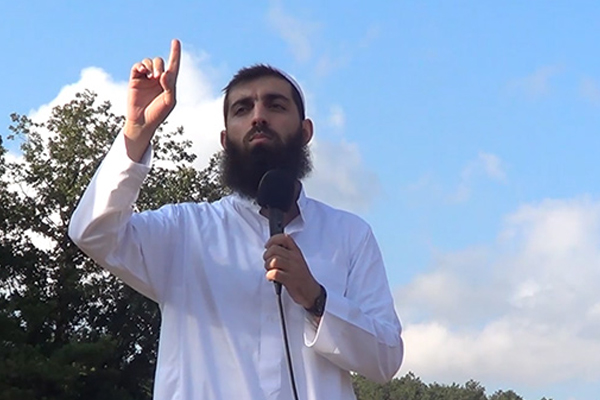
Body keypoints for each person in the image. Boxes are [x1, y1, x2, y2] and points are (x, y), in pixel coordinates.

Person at [69, 39, 403, 400]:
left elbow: (385, 359)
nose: (258, 116)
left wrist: (316, 299)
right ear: (225, 140)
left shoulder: (350, 235)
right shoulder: (184, 231)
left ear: (306, 132)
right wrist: (137, 132)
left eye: (275, 105)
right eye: (243, 109)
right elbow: (93, 233)